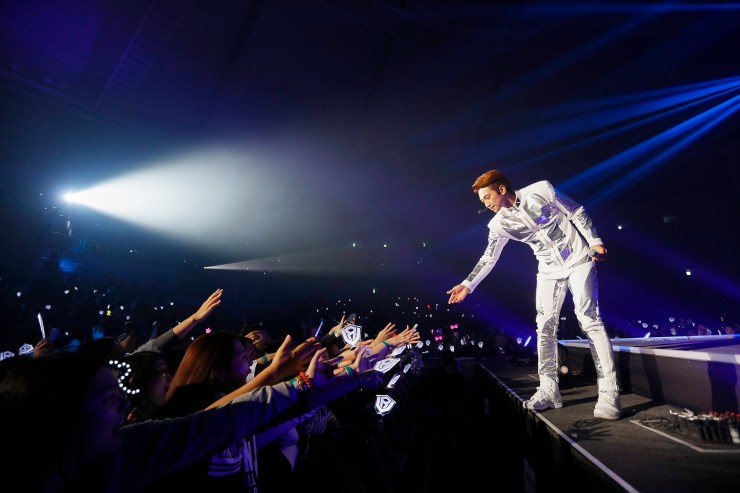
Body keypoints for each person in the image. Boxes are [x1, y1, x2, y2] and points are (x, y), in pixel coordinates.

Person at [0, 346, 380, 493]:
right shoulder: (134, 449)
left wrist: (326, 381)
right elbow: (220, 420)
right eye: (108, 398)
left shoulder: (126, 450)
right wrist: (300, 382)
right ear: (59, 412)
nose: (122, 404)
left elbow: (231, 419)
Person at [446, 169, 622, 420]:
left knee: (589, 320)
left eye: (487, 197)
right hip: (548, 270)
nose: (485, 204)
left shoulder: (542, 189)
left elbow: (575, 210)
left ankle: (609, 392)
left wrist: (594, 241)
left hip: (579, 259)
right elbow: (489, 257)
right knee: (544, 327)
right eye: (482, 200)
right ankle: (549, 391)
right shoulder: (498, 224)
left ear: (501, 189)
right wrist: (467, 284)